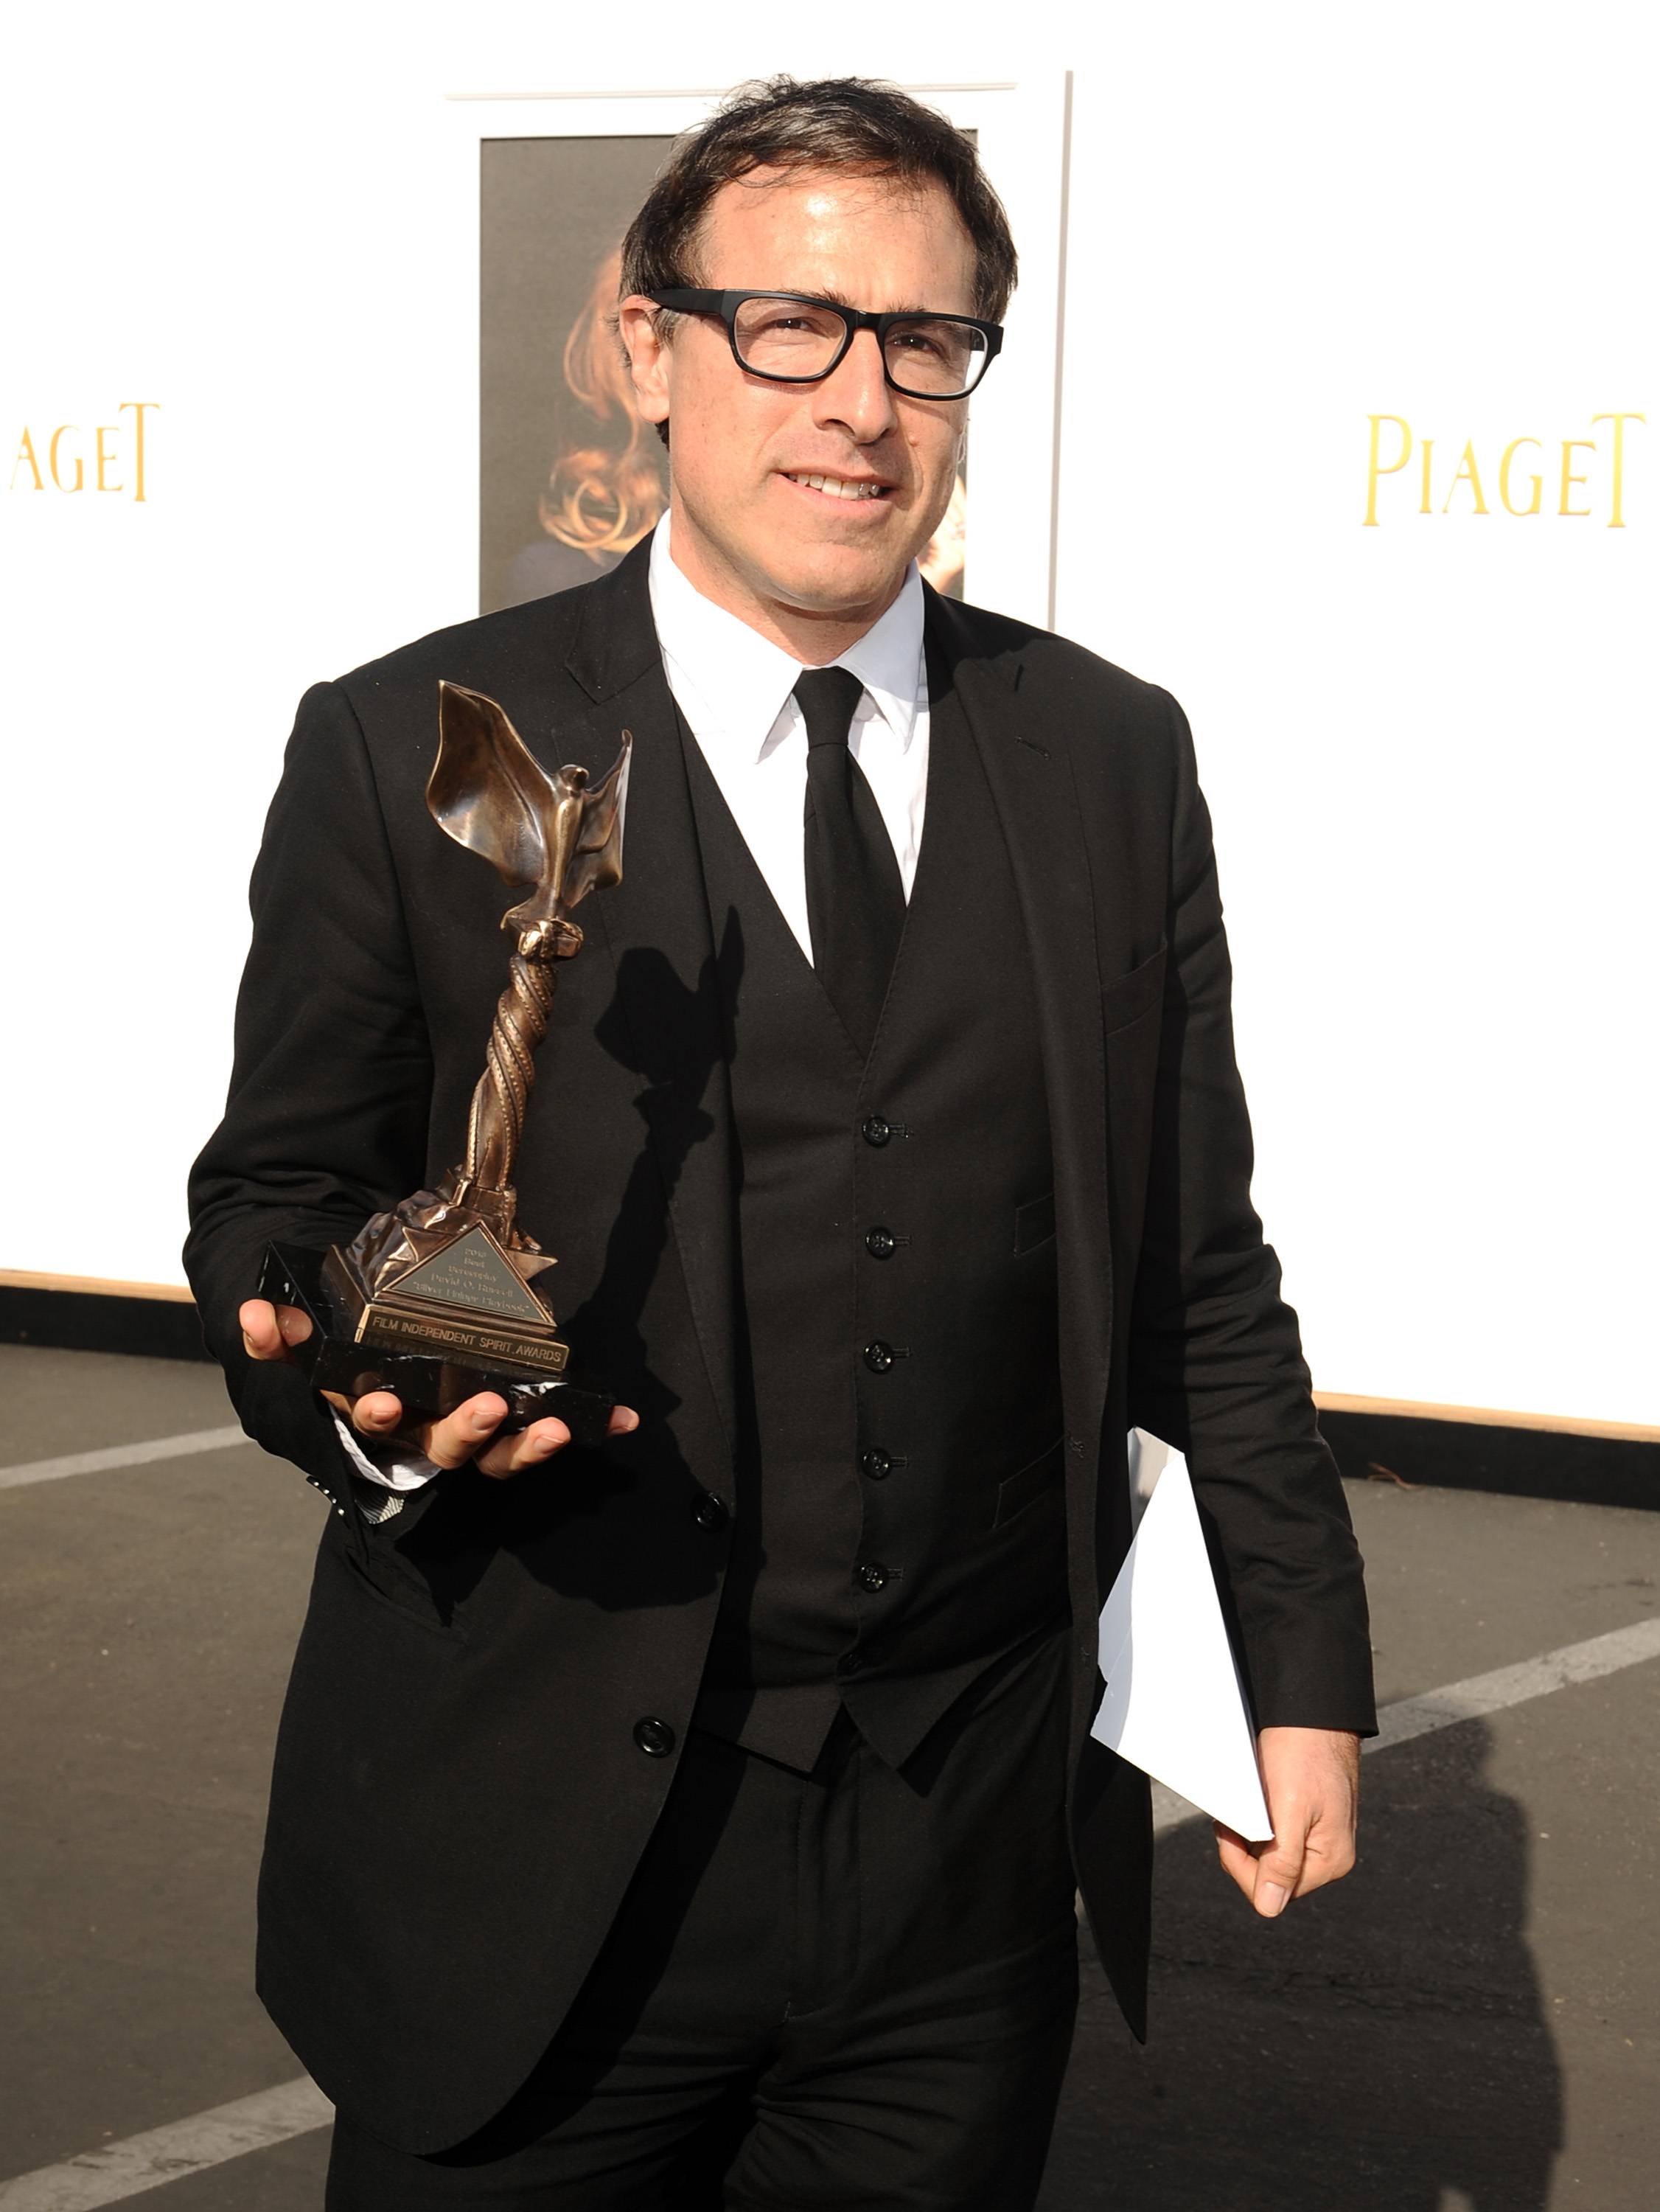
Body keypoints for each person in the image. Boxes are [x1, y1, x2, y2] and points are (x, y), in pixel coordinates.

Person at [186, 74, 1375, 2211]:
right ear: (651, 351)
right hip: (529, 1850)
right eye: (792, 326)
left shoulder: (1109, 753)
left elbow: (1199, 1264)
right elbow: (277, 1196)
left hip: (960, 1868)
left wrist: (1295, 1669)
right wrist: (370, 1396)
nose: (859, 403)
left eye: (923, 340)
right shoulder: (416, 742)